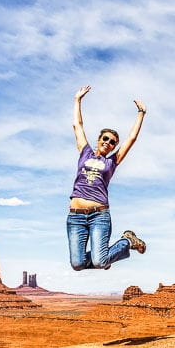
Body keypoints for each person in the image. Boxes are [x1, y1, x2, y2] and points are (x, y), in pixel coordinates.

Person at [67, 85, 147, 271]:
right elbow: (77, 126)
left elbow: (131, 139)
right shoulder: (85, 152)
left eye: (112, 142)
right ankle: (105, 253)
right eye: (106, 138)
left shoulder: (112, 161)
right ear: (99, 139)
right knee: (77, 264)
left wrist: (141, 113)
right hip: (75, 217)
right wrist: (77, 100)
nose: (108, 143)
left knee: (100, 262)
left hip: (99, 215)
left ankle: (127, 241)